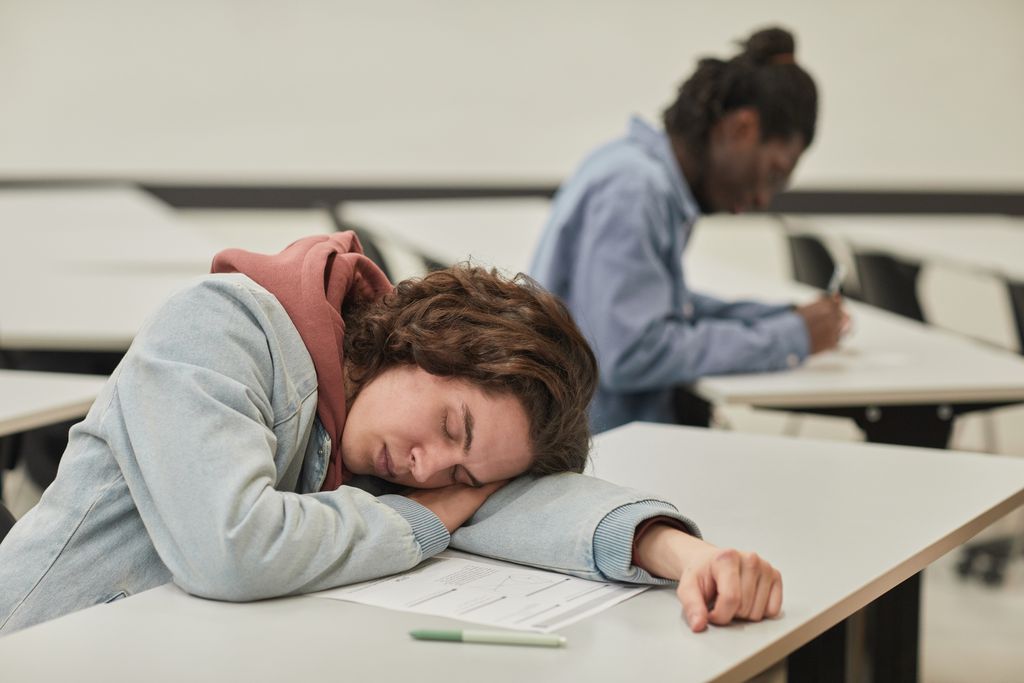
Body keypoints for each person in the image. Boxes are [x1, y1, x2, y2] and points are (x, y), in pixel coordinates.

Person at [0, 232, 781, 635]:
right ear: (426, 341)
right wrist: (427, 516)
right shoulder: (216, 326)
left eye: (462, 469)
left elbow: (515, 501)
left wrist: (684, 555)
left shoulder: (374, 428)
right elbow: (230, 545)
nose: (428, 467)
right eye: (451, 426)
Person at [530, 27, 847, 434]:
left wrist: (777, 317)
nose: (764, 198)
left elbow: (660, 305)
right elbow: (632, 353)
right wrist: (790, 338)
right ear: (741, 128)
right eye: (773, 173)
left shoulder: (640, 172)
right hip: (608, 453)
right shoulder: (636, 189)